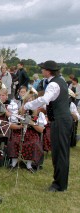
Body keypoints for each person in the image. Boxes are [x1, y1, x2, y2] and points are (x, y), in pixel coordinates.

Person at [23, 60, 72, 192]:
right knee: (60, 153)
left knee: (60, 153)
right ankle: (60, 183)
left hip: (60, 121)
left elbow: (45, 99)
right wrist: (43, 109)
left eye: (43, 69)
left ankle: (59, 185)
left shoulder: (53, 84)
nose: (41, 71)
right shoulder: (59, 81)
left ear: (48, 71)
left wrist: (27, 105)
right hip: (62, 120)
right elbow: (52, 102)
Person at [8, 92, 46, 172]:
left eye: (31, 101)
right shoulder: (18, 112)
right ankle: (13, 163)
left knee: (34, 143)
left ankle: (29, 165)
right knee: (14, 141)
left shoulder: (39, 114)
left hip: (32, 133)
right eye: (27, 101)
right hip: (19, 131)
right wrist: (20, 125)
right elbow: (10, 125)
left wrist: (32, 123)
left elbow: (41, 130)